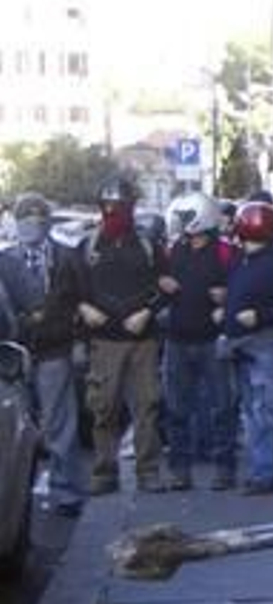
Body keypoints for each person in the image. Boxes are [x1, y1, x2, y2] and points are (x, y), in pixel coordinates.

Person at [0, 193, 90, 516]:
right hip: (13, 355)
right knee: (17, 429)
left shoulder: (66, 257)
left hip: (55, 348)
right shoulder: (6, 260)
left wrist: (79, 341)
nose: (32, 226)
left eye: (38, 219)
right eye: (26, 219)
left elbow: (82, 300)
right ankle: (17, 497)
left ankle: (66, 491)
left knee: (59, 423)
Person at [78, 177, 168, 495]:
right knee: (103, 408)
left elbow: (167, 286)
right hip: (104, 342)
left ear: (131, 208)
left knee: (147, 407)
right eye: (108, 207)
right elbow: (70, 289)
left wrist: (148, 311)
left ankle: (148, 471)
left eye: (120, 207)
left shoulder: (148, 246)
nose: (114, 212)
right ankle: (105, 473)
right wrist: (84, 308)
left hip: (143, 341)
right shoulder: (87, 245)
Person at [157, 192, 238, 491]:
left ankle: (224, 468)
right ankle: (180, 470)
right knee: (177, 409)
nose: (179, 224)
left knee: (222, 408)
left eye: (184, 217)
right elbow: (159, 289)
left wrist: (226, 301)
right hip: (177, 339)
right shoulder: (173, 250)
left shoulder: (226, 252)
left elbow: (242, 288)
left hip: (212, 340)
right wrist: (162, 285)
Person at [223, 202, 273, 495]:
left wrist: (260, 316)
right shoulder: (244, 261)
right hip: (246, 346)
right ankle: (265, 469)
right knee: (255, 409)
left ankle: (267, 472)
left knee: (266, 409)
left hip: (264, 344)